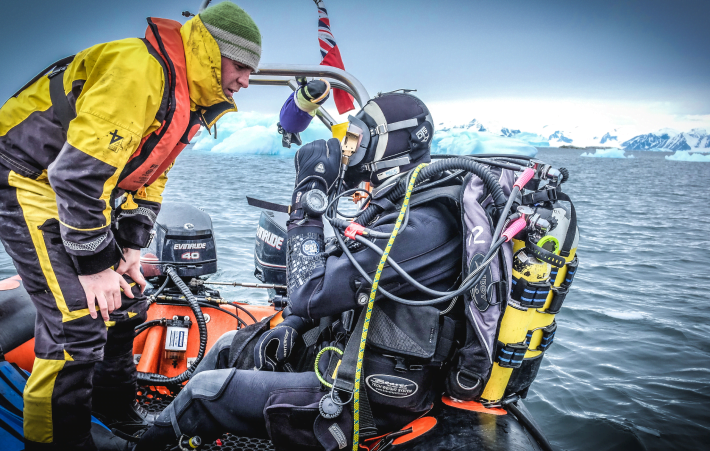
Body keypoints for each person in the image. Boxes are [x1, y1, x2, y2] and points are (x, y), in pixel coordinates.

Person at [136, 92, 466, 450]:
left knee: (205, 392)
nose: (348, 149)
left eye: (356, 140)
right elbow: (339, 282)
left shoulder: (420, 226)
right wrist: (294, 326)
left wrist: (308, 197)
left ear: (389, 145)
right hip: (347, 362)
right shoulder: (399, 207)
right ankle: (162, 426)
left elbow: (309, 293)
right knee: (230, 345)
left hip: (372, 397)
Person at [0, 2, 261, 450]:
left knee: (129, 297)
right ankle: (58, 441)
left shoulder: (188, 98)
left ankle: (111, 408)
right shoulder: (139, 71)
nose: (245, 81)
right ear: (212, 52)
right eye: (240, 66)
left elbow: (152, 176)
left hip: (82, 191)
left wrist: (131, 249)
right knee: (75, 324)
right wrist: (95, 266)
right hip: (28, 178)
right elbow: (74, 176)